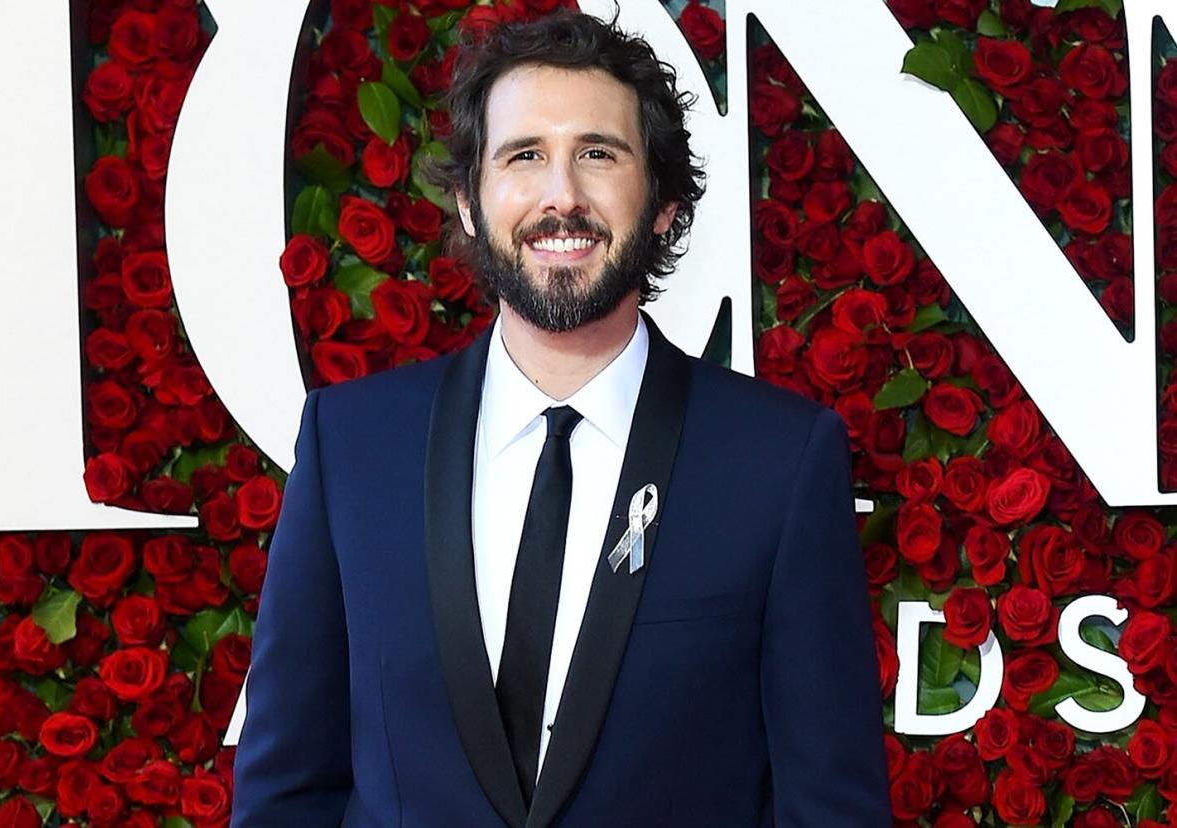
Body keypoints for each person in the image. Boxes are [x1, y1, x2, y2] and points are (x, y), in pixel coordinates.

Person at [231, 10, 890, 827]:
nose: (562, 197)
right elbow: (285, 792)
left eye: (598, 155)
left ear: (662, 204)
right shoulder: (353, 446)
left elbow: (831, 808)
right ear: (470, 202)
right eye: (524, 156)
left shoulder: (779, 462)